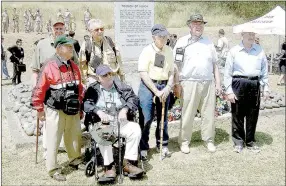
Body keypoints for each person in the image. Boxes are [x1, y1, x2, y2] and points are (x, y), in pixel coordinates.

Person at [31, 35, 84, 181]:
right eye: (68, 46)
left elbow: (79, 88)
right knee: (53, 138)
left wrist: (80, 106)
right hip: (55, 109)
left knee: (74, 135)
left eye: (72, 46)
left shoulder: (74, 66)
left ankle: (75, 159)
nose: (71, 49)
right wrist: (39, 108)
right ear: (59, 48)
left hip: (72, 109)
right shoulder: (49, 65)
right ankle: (53, 168)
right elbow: (39, 88)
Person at [83, 64, 144, 181]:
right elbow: (86, 104)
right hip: (103, 123)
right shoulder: (92, 89)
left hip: (120, 120)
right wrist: (98, 112)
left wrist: (125, 109)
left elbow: (133, 99)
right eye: (104, 75)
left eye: (110, 73)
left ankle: (128, 163)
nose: (108, 76)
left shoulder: (121, 85)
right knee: (102, 133)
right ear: (98, 78)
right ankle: (109, 167)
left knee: (135, 129)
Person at [173, 14, 221, 154]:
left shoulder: (209, 43)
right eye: (195, 24)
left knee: (208, 114)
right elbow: (176, 66)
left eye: (201, 24)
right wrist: (177, 83)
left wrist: (218, 84)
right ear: (189, 25)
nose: (198, 26)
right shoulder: (182, 42)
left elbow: (215, 65)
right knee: (187, 113)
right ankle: (184, 141)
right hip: (189, 82)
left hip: (208, 82)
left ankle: (208, 140)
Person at [31, 21, 78, 159]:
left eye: (61, 28)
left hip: (64, 89)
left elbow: (74, 65)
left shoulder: (69, 44)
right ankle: (48, 151)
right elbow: (35, 69)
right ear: (52, 29)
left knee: (64, 120)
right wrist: (35, 89)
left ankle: (62, 147)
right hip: (46, 88)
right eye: (56, 28)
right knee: (49, 122)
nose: (58, 30)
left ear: (64, 29)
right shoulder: (42, 44)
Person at [224, 26, 269, 153]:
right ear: (242, 35)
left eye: (253, 33)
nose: (251, 36)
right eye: (248, 33)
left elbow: (264, 72)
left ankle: (250, 142)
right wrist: (229, 91)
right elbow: (227, 73)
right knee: (237, 115)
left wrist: (265, 88)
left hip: (254, 84)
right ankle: (238, 142)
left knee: (252, 115)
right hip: (238, 83)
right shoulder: (234, 51)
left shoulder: (260, 50)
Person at [138, 24, 174, 160]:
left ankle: (162, 144)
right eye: (160, 36)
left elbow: (171, 71)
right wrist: (155, 91)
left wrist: (168, 87)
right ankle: (143, 147)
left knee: (163, 118)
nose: (164, 38)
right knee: (146, 118)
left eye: (165, 35)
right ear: (154, 37)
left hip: (164, 85)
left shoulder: (169, 50)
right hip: (148, 86)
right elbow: (143, 72)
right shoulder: (147, 51)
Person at [79, 19, 125, 86]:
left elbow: (119, 61)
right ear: (90, 31)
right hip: (95, 80)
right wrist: (85, 82)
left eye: (102, 29)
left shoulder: (110, 42)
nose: (100, 31)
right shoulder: (86, 45)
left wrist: (122, 78)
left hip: (113, 78)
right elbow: (82, 66)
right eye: (97, 30)